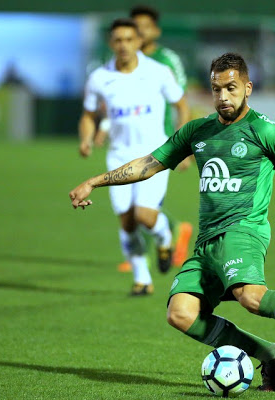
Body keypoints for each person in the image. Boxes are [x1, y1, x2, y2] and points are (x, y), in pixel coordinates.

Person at [70, 52, 275, 390]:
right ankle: (271, 354)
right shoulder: (197, 130)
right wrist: (95, 181)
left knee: (251, 297)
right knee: (181, 313)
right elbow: (149, 164)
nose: (223, 97)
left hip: (243, 231)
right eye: (216, 89)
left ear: (248, 88)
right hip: (206, 242)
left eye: (231, 88)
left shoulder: (264, 129)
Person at [78, 18, 190, 296]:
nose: (124, 45)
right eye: (118, 40)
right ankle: (142, 279)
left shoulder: (159, 72)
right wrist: (85, 138)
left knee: (145, 216)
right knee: (127, 222)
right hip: (118, 155)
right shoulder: (99, 77)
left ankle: (164, 236)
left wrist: (182, 144)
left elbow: (182, 105)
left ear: (139, 41)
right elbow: (89, 115)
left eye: (129, 39)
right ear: (110, 43)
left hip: (154, 155)